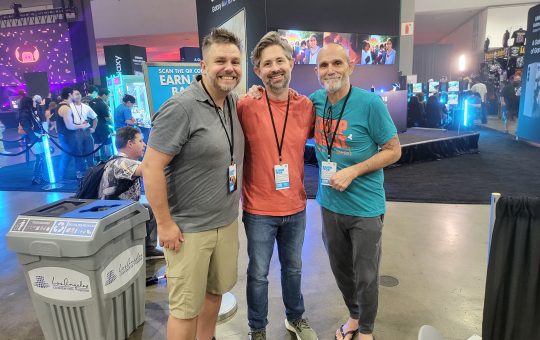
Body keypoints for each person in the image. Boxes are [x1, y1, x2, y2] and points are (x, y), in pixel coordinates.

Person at [141, 28, 245, 340]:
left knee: (215, 293)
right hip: (188, 231)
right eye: (220, 61)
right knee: (185, 308)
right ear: (203, 66)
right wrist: (164, 223)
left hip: (225, 222)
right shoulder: (181, 107)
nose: (229, 68)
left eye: (235, 61)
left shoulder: (231, 103)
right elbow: (151, 167)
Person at [310, 43, 401, 340]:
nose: (330, 70)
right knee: (341, 271)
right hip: (329, 205)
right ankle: (354, 316)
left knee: (366, 276)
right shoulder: (315, 102)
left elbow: (393, 151)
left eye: (337, 63)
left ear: (351, 66)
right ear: (316, 72)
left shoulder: (370, 103)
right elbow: (281, 102)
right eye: (324, 65)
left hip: (365, 208)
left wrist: (354, 170)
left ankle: (366, 331)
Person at [237, 31, 317, 340]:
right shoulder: (247, 105)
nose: (274, 68)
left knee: (293, 269)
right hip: (258, 209)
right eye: (266, 64)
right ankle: (257, 329)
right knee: (257, 274)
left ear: (292, 63)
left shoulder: (306, 107)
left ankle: (294, 318)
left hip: (296, 207)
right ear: (258, 71)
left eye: (279, 61)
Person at [97, 126, 164, 260]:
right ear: (130, 143)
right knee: (151, 209)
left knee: (149, 209)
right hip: (115, 213)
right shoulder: (122, 162)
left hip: (122, 209)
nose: (144, 145)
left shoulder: (119, 160)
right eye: (141, 141)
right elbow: (149, 169)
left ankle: (148, 248)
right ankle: (140, 249)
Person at [71, 89, 98, 177]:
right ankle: (80, 171)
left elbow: (95, 118)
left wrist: (93, 128)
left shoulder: (86, 106)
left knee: (90, 151)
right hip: (76, 132)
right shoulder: (69, 107)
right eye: (75, 94)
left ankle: (91, 170)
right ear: (71, 96)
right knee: (78, 152)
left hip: (86, 131)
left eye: (79, 94)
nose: (78, 96)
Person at [19, 97, 45, 184]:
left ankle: (40, 176)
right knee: (39, 157)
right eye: (33, 101)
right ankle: (36, 177)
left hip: (39, 136)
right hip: (33, 139)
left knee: (42, 156)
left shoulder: (31, 112)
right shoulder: (24, 114)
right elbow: (27, 129)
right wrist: (35, 139)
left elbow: (39, 123)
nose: (35, 102)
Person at [90, 89, 114, 161]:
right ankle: (110, 159)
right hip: (103, 127)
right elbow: (107, 118)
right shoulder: (103, 104)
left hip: (94, 126)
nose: (108, 98)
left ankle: (97, 160)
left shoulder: (91, 102)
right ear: (104, 95)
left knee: (97, 143)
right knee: (107, 143)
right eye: (108, 96)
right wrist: (113, 124)